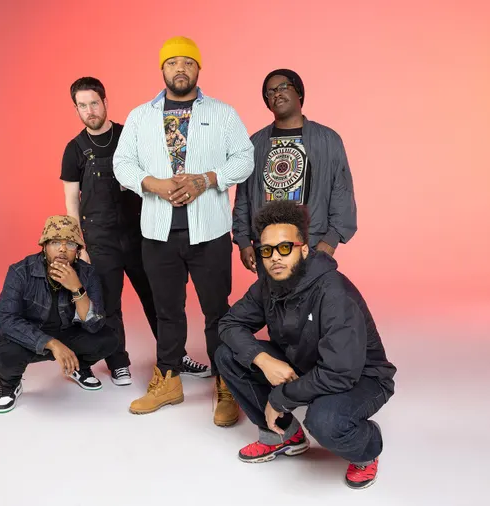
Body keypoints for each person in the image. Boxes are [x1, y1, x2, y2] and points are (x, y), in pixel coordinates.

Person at [113, 36, 254, 425]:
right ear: (162, 69)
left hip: (209, 232)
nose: (180, 68)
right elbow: (122, 163)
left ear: (198, 69)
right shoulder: (140, 116)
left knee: (217, 310)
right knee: (167, 310)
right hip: (158, 232)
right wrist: (153, 184)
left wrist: (206, 179)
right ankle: (169, 381)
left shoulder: (223, 113)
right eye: (173, 62)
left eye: (188, 62)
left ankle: (226, 382)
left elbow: (245, 158)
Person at [216, 201, 396, 489]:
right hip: (306, 364)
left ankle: (367, 449)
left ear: (303, 249)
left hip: (360, 377)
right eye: (267, 250)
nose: (275, 257)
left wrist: (280, 398)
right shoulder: (266, 285)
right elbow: (229, 324)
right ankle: (284, 435)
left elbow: (340, 372)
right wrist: (262, 359)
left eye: (284, 247)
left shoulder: (333, 292)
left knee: (325, 421)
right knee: (228, 355)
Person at [62, 76, 198, 386]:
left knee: (157, 297)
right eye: (82, 106)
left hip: (140, 233)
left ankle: (176, 357)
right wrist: (78, 245)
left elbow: (154, 175)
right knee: (109, 304)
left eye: (94, 103)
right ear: (76, 109)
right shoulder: (74, 150)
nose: (90, 111)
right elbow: (71, 201)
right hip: (100, 239)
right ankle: (118, 363)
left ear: (105, 102)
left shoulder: (129, 135)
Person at [232, 69, 357, 277]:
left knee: (314, 297)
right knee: (271, 298)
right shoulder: (255, 144)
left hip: (312, 244)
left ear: (299, 92)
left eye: (283, 87)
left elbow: (341, 191)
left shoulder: (327, 139)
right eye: (270, 92)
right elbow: (243, 196)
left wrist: (331, 239)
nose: (276, 94)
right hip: (268, 247)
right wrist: (244, 241)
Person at [0, 215, 119, 413]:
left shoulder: (87, 273)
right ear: (44, 246)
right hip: (31, 336)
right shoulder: (20, 271)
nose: (62, 249)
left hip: (68, 333)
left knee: (108, 339)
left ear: (77, 250)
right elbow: (7, 321)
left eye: (70, 243)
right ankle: (10, 385)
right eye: (55, 242)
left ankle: (78, 367)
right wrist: (51, 343)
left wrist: (77, 288)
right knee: (7, 352)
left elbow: (94, 324)